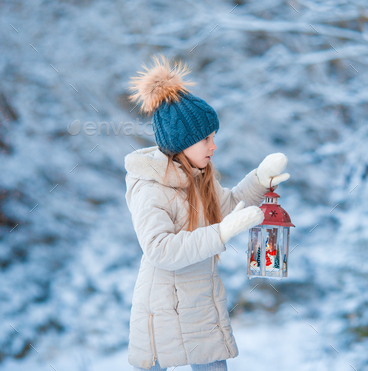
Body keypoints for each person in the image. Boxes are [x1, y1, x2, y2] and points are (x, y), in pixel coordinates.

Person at [124, 54, 290, 371]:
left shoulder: (199, 177)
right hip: (165, 312)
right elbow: (160, 249)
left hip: (201, 305)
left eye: (214, 137)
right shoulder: (151, 188)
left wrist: (259, 180)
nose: (213, 147)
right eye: (206, 139)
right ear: (181, 143)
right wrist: (222, 233)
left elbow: (227, 209)